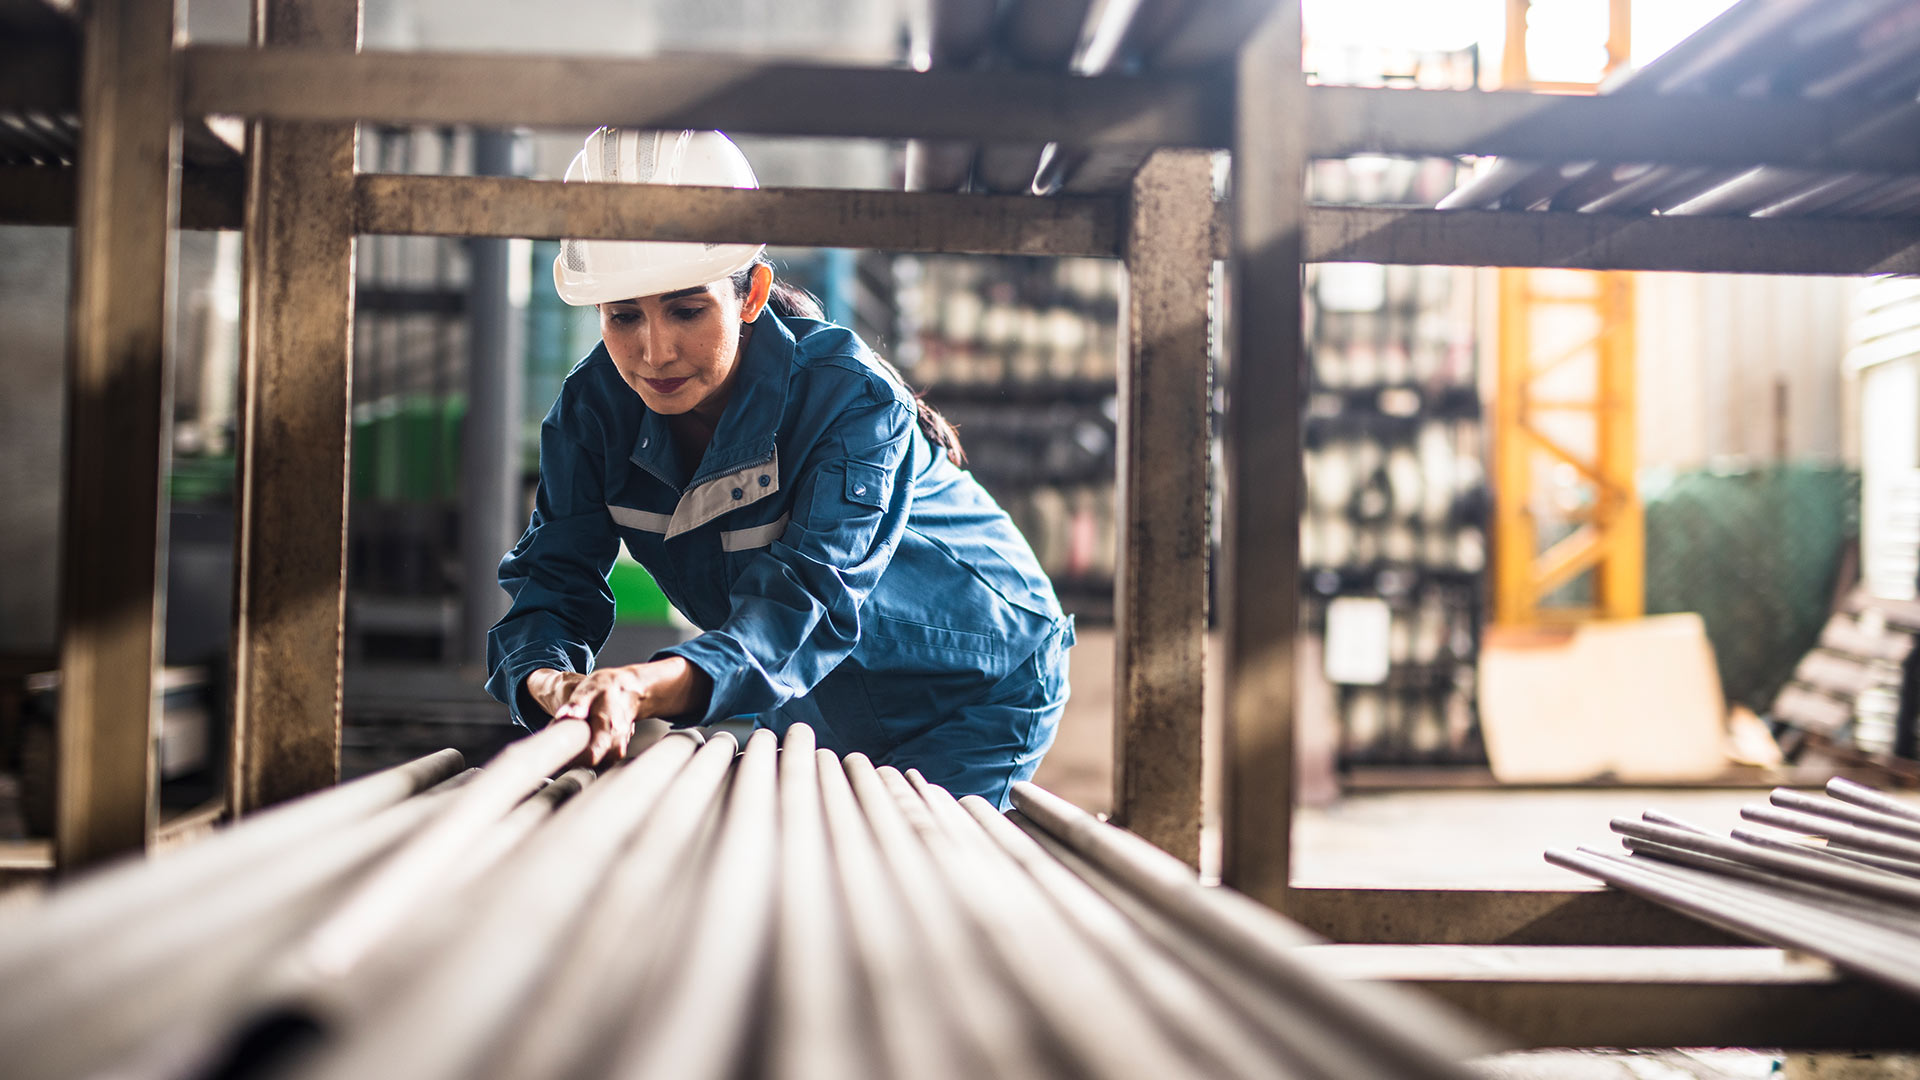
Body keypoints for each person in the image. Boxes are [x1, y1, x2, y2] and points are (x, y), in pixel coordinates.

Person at [485, 128, 1073, 808]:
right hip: (811, 691)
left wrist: (641, 688)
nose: (654, 351)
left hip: (976, 682)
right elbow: (552, 583)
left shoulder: (849, 399)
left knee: (902, 885)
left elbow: (807, 600)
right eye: (623, 317)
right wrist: (551, 683)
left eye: (686, 309)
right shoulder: (592, 415)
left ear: (752, 293)